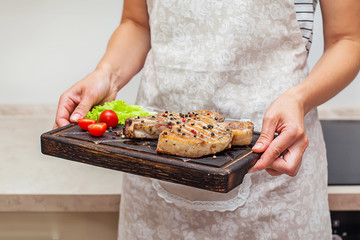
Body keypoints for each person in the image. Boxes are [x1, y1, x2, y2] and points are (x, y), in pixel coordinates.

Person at [54, 0, 360, 239]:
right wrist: (106, 74)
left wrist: (299, 98)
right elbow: (137, 23)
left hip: (270, 173)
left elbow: (348, 39)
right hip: (156, 174)